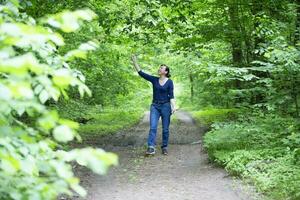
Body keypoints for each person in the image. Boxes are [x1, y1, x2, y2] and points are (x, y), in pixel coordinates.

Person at [131, 54, 177, 156]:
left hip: (166, 106)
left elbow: (172, 96)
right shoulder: (154, 79)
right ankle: (151, 147)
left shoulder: (170, 82)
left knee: (165, 129)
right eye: (159, 67)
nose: (159, 69)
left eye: (162, 68)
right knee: (153, 127)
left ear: (166, 72)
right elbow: (141, 73)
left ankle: (164, 147)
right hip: (155, 106)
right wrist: (135, 62)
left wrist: (174, 106)